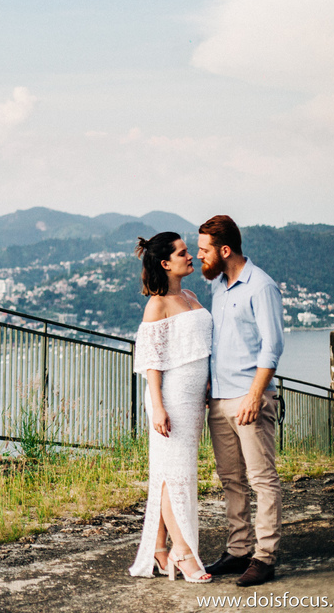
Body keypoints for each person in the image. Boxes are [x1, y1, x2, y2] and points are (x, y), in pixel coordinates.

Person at [198, 214, 284, 588]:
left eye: (204, 250)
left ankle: (264, 557)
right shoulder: (218, 286)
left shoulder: (261, 286)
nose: (200, 256)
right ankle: (238, 551)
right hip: (219, 400)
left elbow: (273, 344)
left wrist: (254, 395)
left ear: (225, 250)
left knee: (262, 480)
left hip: (250, 400)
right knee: (230, 479)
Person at [128, 232, 213, 582]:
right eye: (182, 252)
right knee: (174, 476)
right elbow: (151, 360)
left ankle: (160, 549)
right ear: (166, 263)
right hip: (171, 400)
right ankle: (183, 552)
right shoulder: (158, 303)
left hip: (194, 400)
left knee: (176, 473)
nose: (190, 256)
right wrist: (159, 408)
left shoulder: (191, 295)